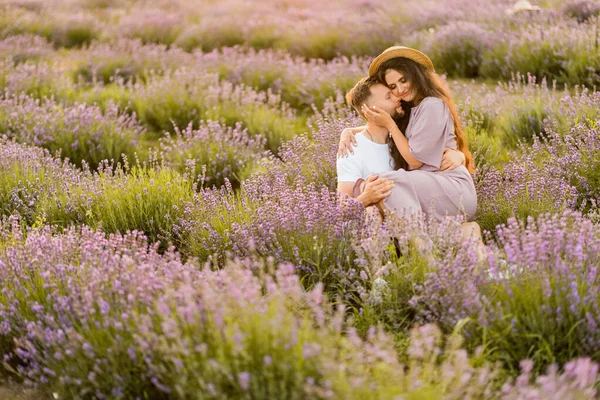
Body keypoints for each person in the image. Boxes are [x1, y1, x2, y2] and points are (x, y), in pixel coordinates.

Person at [337, 76, 465, 211]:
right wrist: (366, 198)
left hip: (419, 214)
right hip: (387, 223)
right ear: (370, 110)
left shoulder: (403, 136)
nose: (397, 97)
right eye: (388, 97)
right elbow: (342, 209)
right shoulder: (351, 149)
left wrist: (458, 155)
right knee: (371, 212)